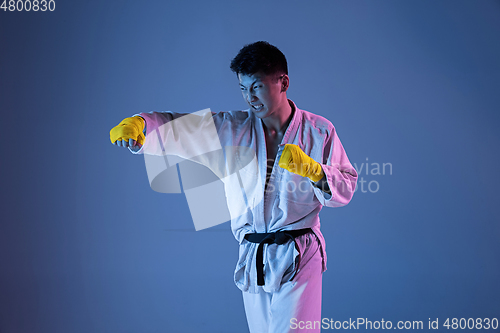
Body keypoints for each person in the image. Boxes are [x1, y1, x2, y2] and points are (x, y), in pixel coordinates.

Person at [110, 41, 358, 333]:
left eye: (257, 87)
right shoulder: (233, 129)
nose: (249, 97)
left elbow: (346, 186)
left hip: (299, 253)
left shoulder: (318, 131)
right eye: (243, 88)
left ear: (283, 82)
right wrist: (142, 124)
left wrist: (314, 170)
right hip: (253, 253)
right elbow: (180, 128)